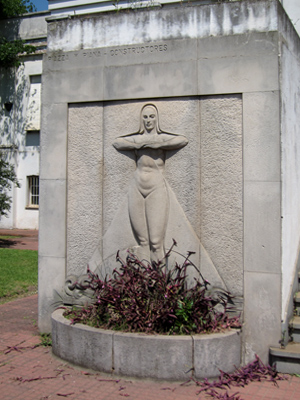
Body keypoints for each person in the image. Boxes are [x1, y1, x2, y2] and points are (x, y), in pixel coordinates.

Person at [113, 104, 188, 263]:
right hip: (137, 186)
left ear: (157, 119)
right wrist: (138, 145)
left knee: (156, 242)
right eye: (145, 117)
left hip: (156, 186)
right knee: (143, 242)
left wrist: (157, 144)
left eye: (152, 117)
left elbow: (183, 140)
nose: (148, 120)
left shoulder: (161, 138)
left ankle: (160, 283)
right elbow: (117, 143)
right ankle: (145, 280)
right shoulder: (138, 139)